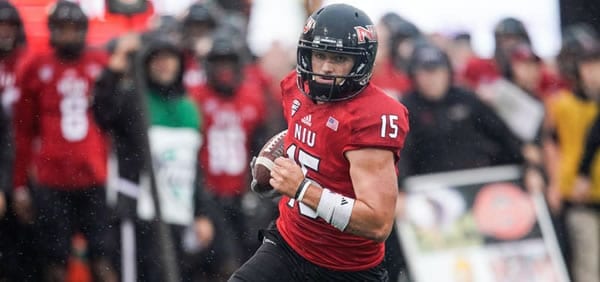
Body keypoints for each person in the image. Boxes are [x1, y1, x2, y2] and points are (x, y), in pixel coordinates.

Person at [229, 4, 409, 281]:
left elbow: (378, 223)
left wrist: (302, 189)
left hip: (347, 268)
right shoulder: (295, 88)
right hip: (289, 244)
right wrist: (278, 164)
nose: (325, 67)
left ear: (361, 61)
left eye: (338, 58)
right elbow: (315, 138)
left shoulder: (372, 117)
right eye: (319, 54)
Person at [93, 33, 217, 281]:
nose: (164, 65)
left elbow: (193, 166)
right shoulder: (134, 99)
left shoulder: (189, 107)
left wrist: (203, 212)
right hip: (140, 214)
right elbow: (102, 113)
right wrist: (115, 69)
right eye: (157, 59)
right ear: (146, 64)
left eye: (170, 58)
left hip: (179, 215)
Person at [11, 1, 117, 281]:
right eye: (62, 28)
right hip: (51, 180)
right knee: (55, 261)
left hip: (94, 177)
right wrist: (20, 184)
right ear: (52, 31)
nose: (68, 35)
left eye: (73, 29)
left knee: (103, 259)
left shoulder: (100, 63)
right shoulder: (35, 67)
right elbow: (23, 131)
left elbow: (116, 119)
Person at [190, 26, 270, 279]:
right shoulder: (196, 99)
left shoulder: (253, 98)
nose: (224, 70)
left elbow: (262, 149)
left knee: (246, 261)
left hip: (241, 195)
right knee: (218, 264)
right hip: (209, 193)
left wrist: (259, 193)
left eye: (229, 63)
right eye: (218, 63)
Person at [543, 44, 600, 282]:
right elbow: (550, 144)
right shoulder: (561, 103)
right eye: (588, 65)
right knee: (588, 262)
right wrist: (555, 183)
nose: (593, 72)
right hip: (579, 195)